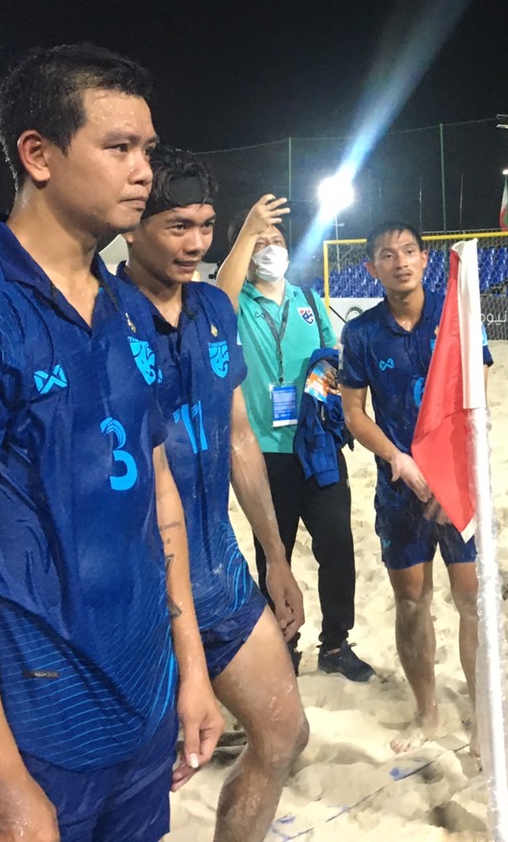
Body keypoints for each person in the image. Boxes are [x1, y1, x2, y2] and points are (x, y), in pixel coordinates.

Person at [0, 44, 222, 841]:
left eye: (145, 148)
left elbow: (157, 496)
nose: (143, 170)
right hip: (33, 730)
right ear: (38, 154)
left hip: (142, 704)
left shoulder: (128, 307)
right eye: (119, 148)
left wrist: (192, 669)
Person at [117, 146, 309, 840]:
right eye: (177, 226)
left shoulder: (214, 311)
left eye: (205, 224)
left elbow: (238, 438)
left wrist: (277, 555)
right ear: (132, 224)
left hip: (219, 573)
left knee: (285, 733)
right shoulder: (100, 318)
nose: (195, 242)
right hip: (136, 597)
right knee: (140, 792)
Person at [339, 221, 489, 753]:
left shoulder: (458, 319)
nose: (400, 261)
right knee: (411, 601)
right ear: (371, 268)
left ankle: (481, 714)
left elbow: (479, 396)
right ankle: (427, 711)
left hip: (457, 486)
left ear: (425, 260)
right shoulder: (360, 334)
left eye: (409, 251)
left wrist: (458, 473)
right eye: (387, 254)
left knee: (471, 600)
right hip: (401, 488)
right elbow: (354, 413)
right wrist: (397, 459)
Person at [219, 200, 373, 682]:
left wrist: (326, 391)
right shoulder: (235, 302)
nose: (271, 249)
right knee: (273, 553)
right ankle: (285, 643)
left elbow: (332, 359)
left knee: (337, 546)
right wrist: (248, 230)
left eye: (277, 241)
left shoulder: (308, 300)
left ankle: (335, 642)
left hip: (317, 448)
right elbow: (220, 294)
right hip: (264, 452)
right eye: (260, 243)